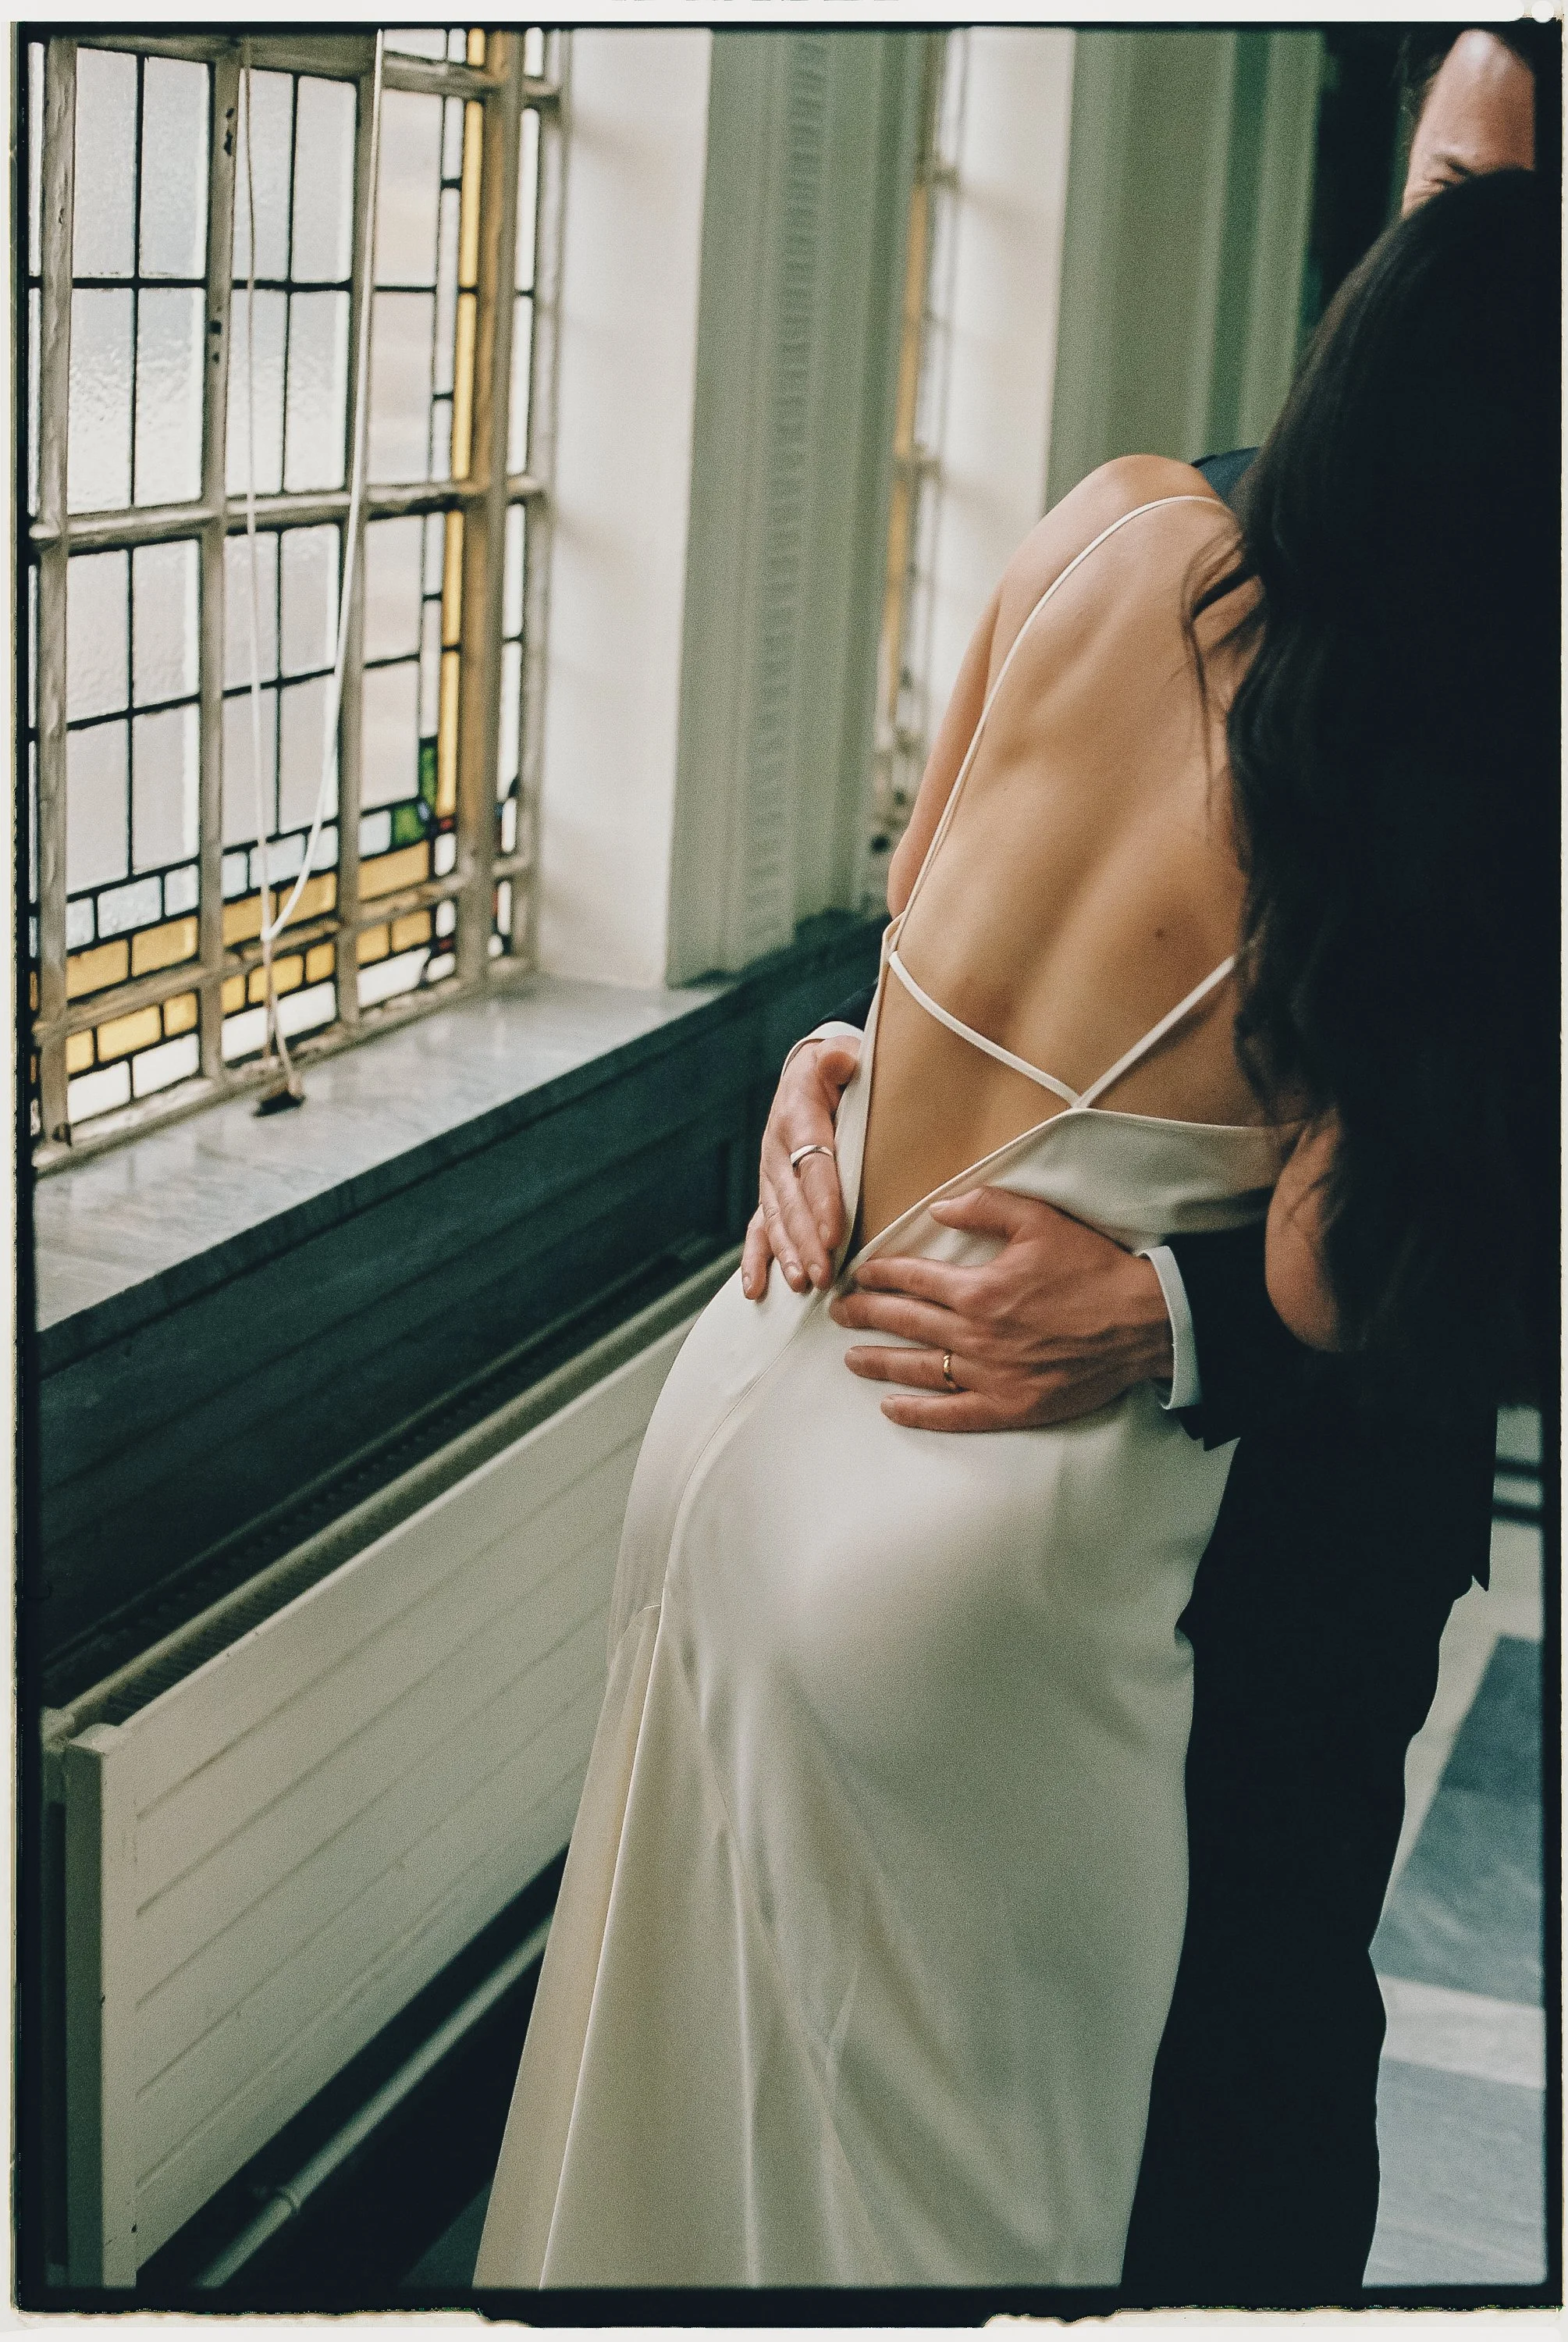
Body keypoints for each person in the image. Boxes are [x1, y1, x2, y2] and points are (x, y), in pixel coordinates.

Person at [474, 172, 1556, 2292]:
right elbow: (1354, 1269)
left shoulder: (1109, 522)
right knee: (973, 2203)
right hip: (998, 1540)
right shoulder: (1414, 784)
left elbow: (916, 921)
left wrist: (870, 1078)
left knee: (680, 2077)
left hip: (765, 1391)